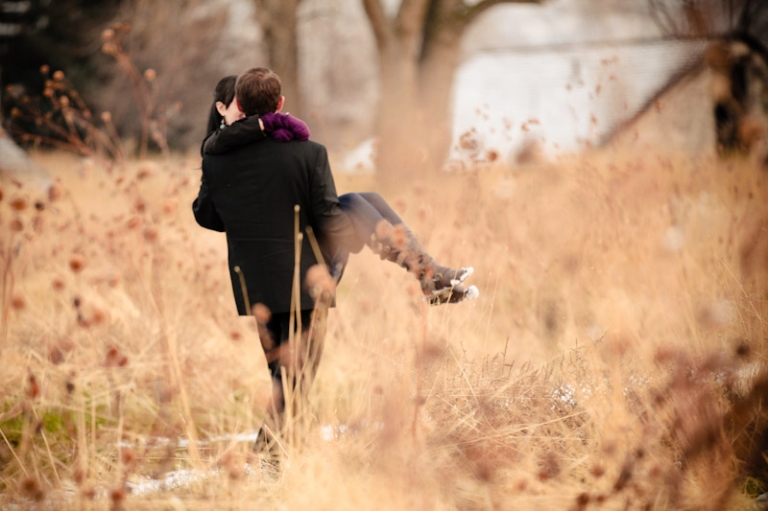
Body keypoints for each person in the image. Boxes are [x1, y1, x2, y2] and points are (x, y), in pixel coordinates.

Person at [192, 69, 477, 454]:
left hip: (256, 285)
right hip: (309, 278)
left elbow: (209, 216)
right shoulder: (309, 153)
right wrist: (361, 228)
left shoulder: (215, 158)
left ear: (238, 107)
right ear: (280, 105)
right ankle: (266, 460)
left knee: (287, 377)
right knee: (295, 380)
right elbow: (329, 223)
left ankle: (275, 464)